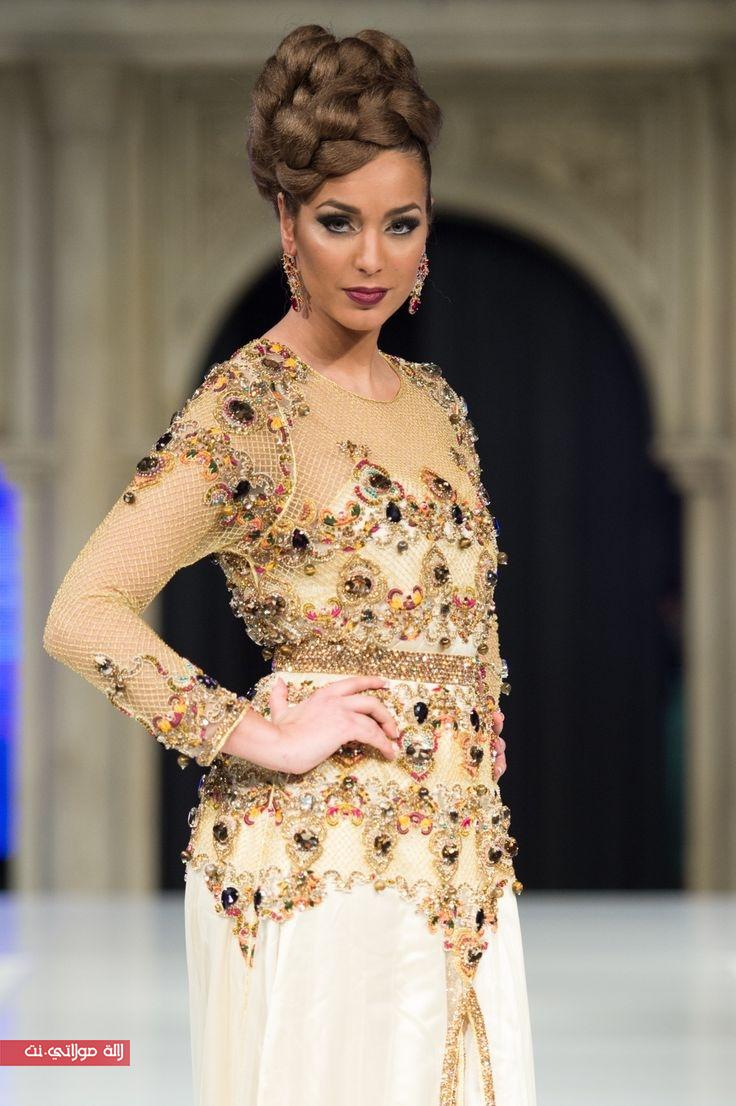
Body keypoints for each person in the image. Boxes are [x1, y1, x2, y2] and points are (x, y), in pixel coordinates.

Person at [42, 23, 537, 1106]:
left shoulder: (438, 406)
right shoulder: (250, 410)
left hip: (462, 855)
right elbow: (83, 611)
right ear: (285, 220)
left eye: (400, 224)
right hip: (322, 868)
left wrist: (473, 707)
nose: (371, 259)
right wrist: (259, 731)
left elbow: (456, 611)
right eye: (337, 221)